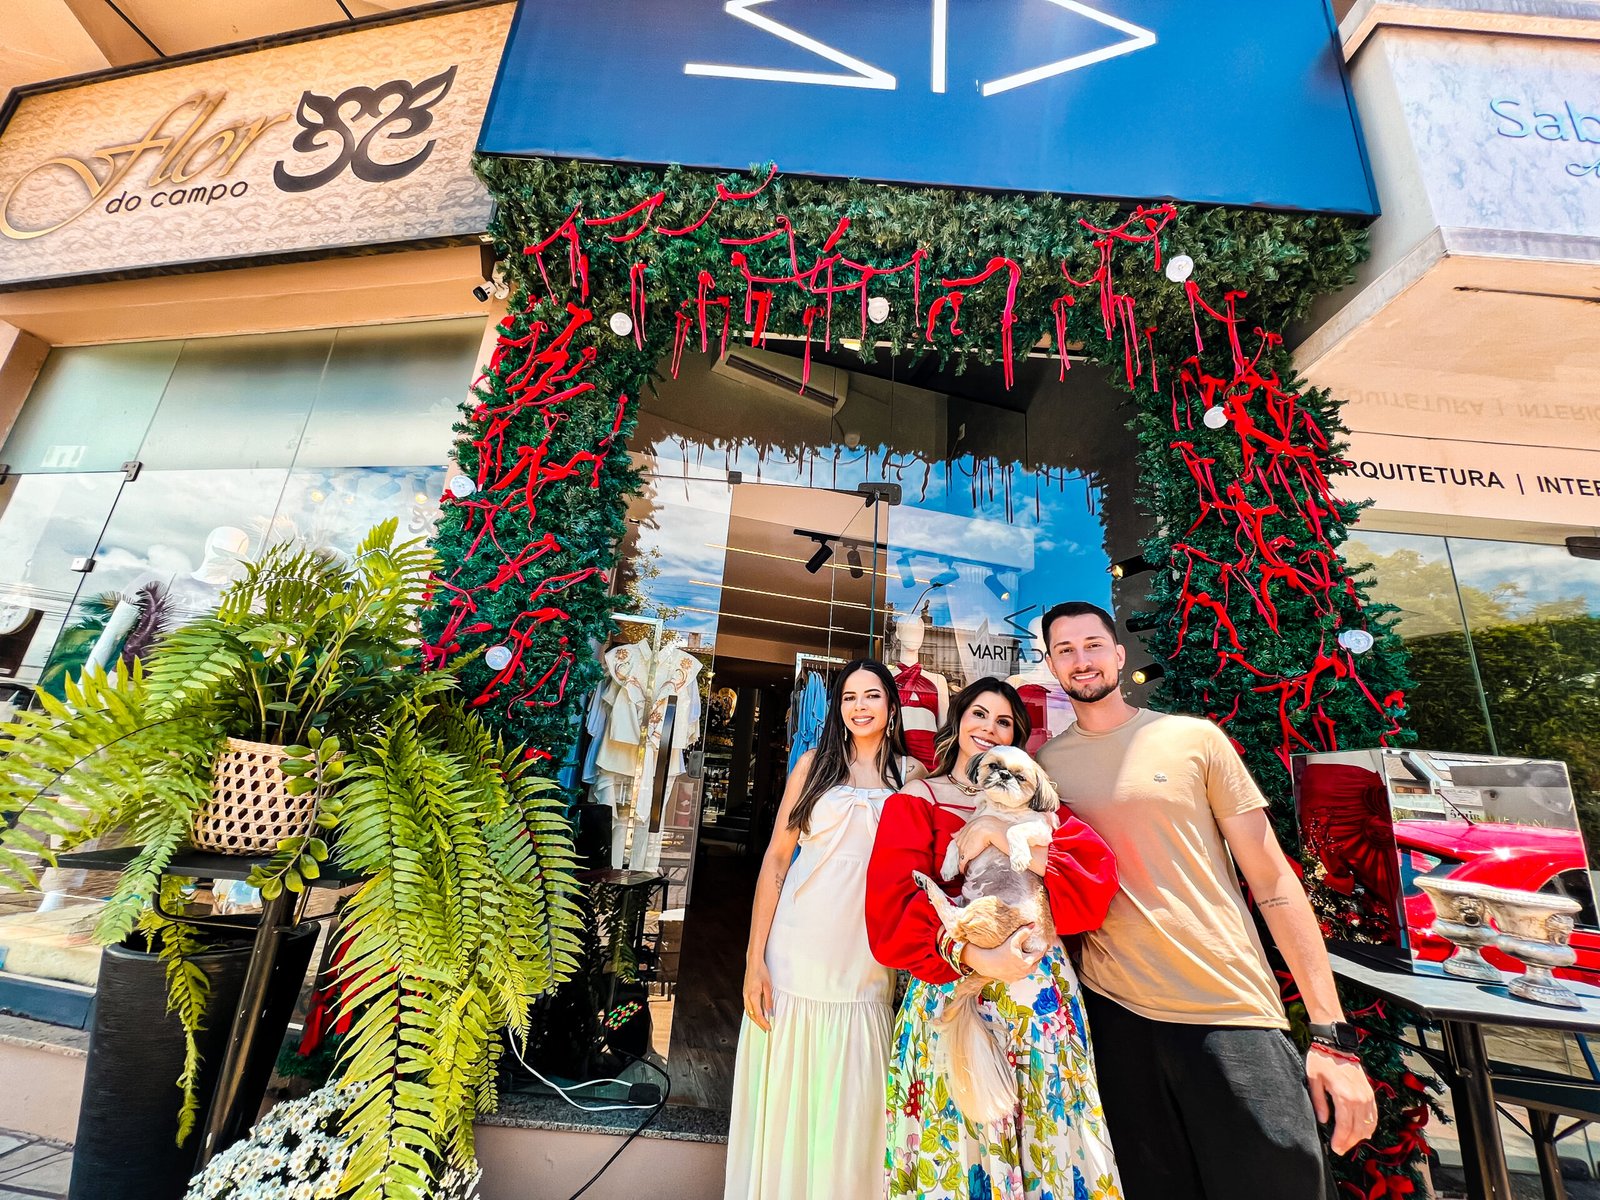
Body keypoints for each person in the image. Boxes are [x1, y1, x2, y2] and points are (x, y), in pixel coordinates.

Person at [1035, 600, 1378, 1200]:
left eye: (1092, 645)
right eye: (1065, 650)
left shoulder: (1192, 739)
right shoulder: (1043, 768)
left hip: (1229, 1008)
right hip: (1116, 1019)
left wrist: (1332, 1036)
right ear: (1051, 665)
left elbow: (1272, 882)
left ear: (1119, 655)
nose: (1081, 660)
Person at [866, 677, 1123, 1200]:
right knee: (962, 1138)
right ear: (958, 721)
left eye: (1004, 721)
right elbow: (890, 912)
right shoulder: (919, 800)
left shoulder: (1043, 810)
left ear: (1016, 738)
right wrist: (975, 955)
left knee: (1045, 1137)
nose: (989, 728)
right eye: (979, 714)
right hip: (955, 991)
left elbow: (1093, 886)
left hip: (1038, 1005)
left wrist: (998, 835)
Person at [724, 659, 921, 1199]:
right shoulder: (813, 765)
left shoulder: (912, 776)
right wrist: (754, 961)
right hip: (796, 946)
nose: (860, 706)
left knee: (855, 1096)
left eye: (871, 695)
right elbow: (776, 860)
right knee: (789, 1087)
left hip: (866, 955)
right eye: (849, 697)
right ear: (837, 708)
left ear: (891, 705)